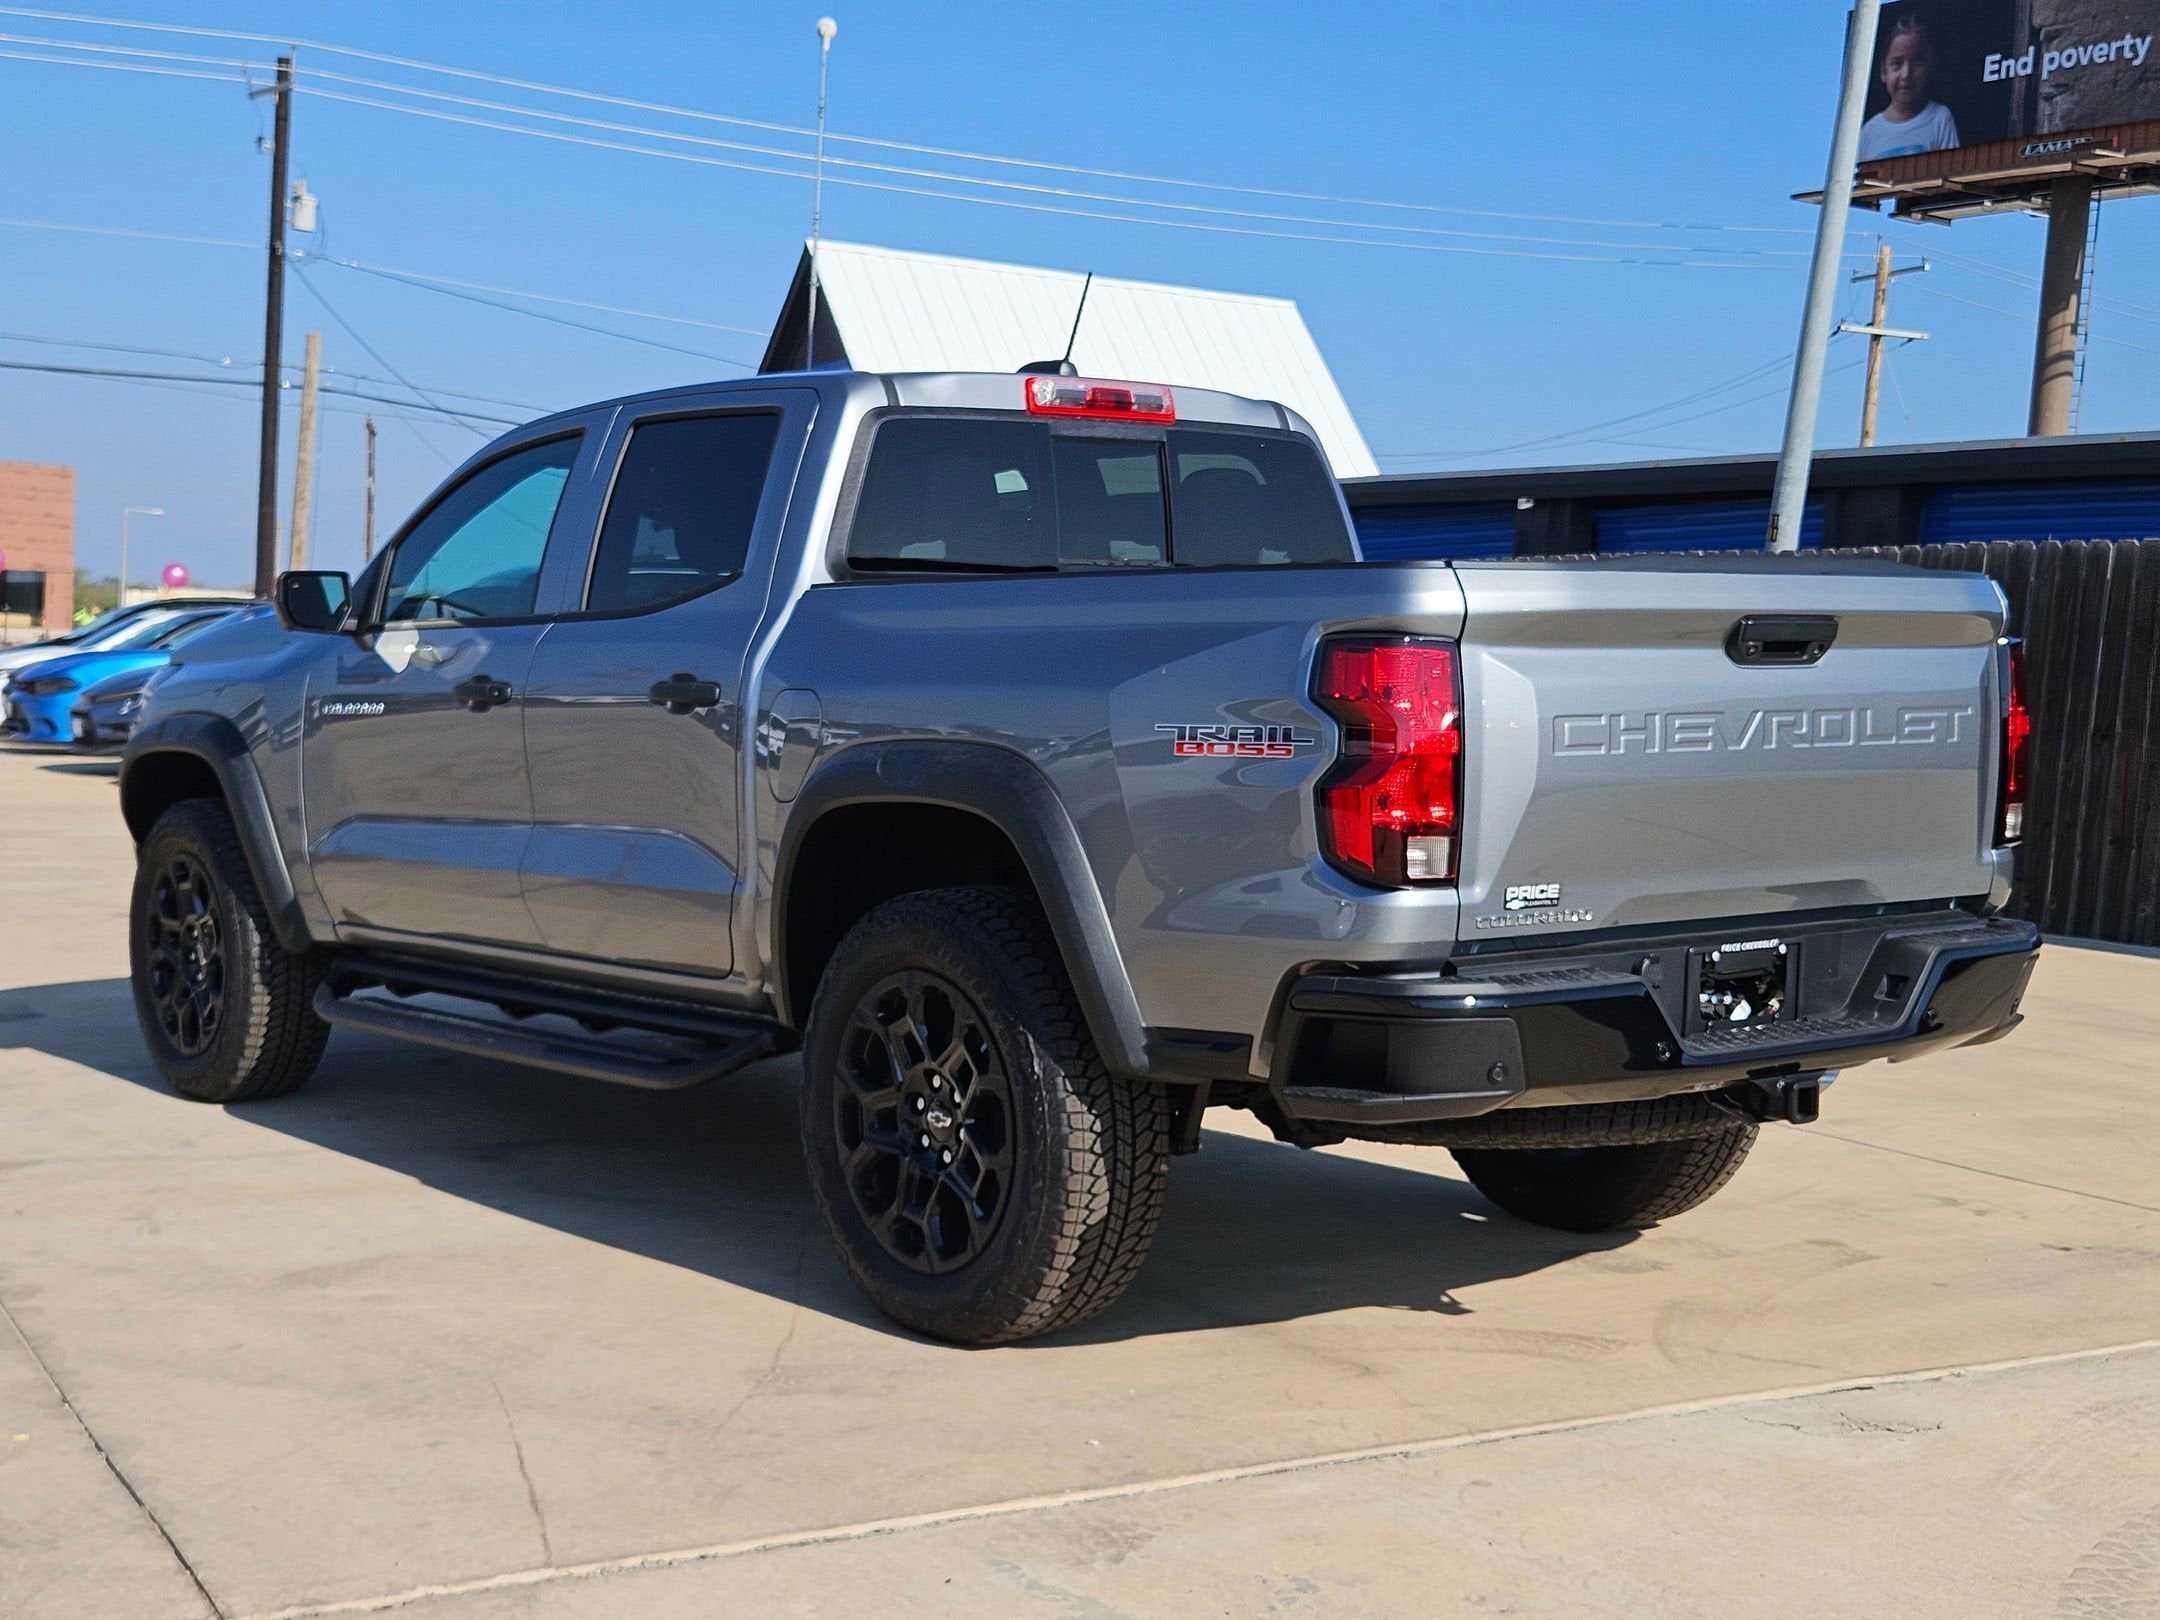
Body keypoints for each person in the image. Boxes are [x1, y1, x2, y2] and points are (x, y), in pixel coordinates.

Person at [1859, 14, 1962, 160]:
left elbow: (1952, 169)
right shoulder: (1869, 132)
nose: (1906, 74)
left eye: (1916, 62)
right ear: (1883, 71)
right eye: (1897, 64)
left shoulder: (1939, 117)